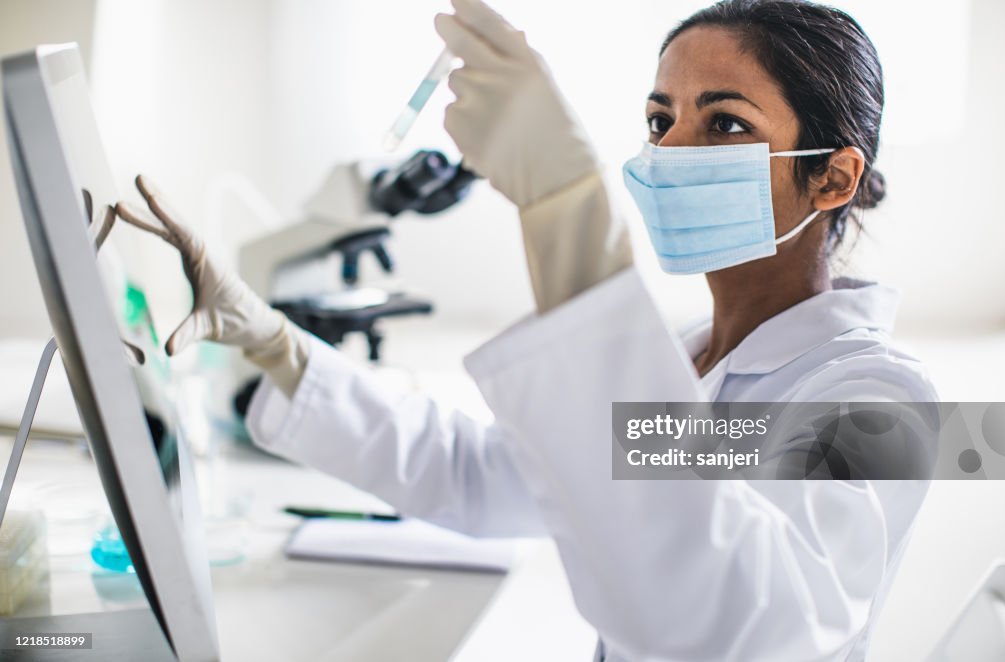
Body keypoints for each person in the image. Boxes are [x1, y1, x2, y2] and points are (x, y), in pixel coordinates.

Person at [115, 0, 938, 659]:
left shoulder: (883, 403)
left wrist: (566, 211)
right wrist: (275, 345)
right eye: (661, 121)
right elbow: (478, 474)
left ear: (833, 176)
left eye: (724, 124)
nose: (672, 151)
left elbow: (733, 623)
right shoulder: (692, 357)